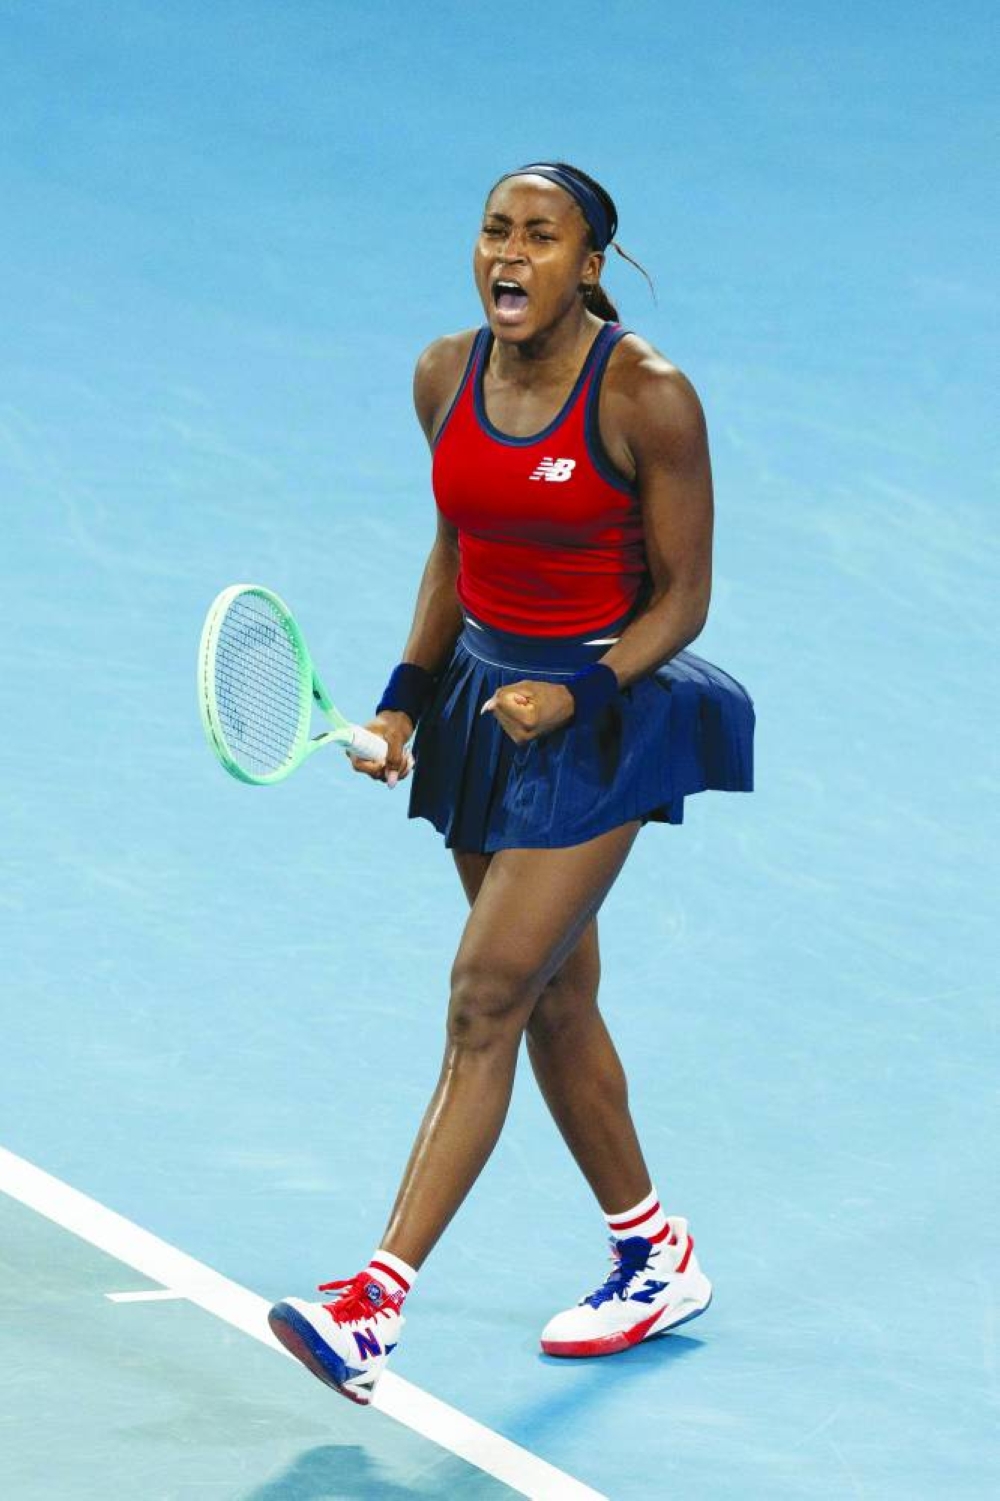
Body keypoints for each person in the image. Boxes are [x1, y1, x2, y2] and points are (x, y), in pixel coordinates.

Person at [268, 162, 755, 1404]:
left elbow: (684, 595)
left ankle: (371, 1307)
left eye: (542, 237)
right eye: (495, 230)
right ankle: (653, 1254)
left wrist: (579, 690)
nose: (510, 254)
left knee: (487, 989)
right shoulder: (446, 375)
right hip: (485, 710)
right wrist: (401, 699)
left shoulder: (648, 396)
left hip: (603, 718)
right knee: (551, 999)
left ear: (588, 264)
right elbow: (457, 547)